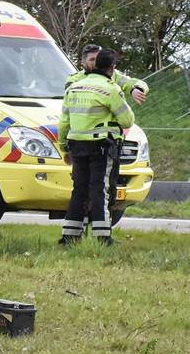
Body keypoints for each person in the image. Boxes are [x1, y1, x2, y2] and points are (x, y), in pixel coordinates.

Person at [58, 49, 134, 246]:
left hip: (77, 146)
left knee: (79, 189)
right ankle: (102, 237)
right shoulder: (110, 89)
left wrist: (64, 148)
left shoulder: (74, 87)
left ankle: (70, 236)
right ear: (112, 68)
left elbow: (64, 123)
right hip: (101, 146)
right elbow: (127, 121)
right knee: (100, 190)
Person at [66, 44, 148, 216]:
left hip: (91, 144)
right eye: (92, 60)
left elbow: (133, 82)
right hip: (97, 145)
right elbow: (127, 120)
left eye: (98, 59)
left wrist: (136, 89)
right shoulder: (75, 81)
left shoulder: (113, 77)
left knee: (93, 189)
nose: (96, 63)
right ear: (82, 62)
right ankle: (100, 234)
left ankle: (76, 233)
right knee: (94, 189)